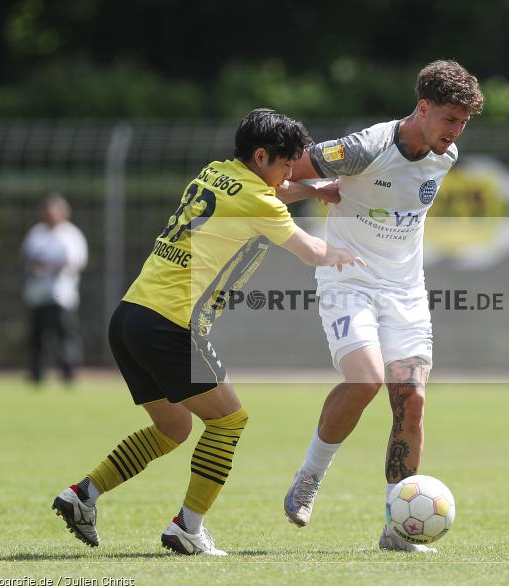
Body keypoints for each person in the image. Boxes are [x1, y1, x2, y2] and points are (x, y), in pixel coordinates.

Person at [52, 108, 363, 556]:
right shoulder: (259, 202)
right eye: (285, 164)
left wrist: (315, 190)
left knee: (173, 428)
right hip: (171, 323)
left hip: (130, 316)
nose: (289, 174)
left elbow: (272, 193)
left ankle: (83, 494)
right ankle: (188, 527)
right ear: (261, 156)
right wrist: (345, 254)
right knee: (229, 420)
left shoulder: (215, 172)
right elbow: (310, 249)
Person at [279, 60, 484, 552]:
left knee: (412, 399)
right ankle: (310, 477)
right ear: (423, 108)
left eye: (463, 123)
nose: (455, 132)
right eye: (449, 119)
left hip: (406, 291)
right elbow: (278, 180)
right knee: (366, 380)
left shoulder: (445, 155)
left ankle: (397, 527)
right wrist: (316, 189)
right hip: (348, 280)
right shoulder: (364, 148)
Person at [21, 194, 88, 384]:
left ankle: (69, 373)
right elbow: (28, 257)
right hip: (37, 294)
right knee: (37, 337)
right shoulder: (36, 233)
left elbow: (76, 261)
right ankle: (36, 374)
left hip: (62, 295)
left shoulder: (71, 235)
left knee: (65, 335)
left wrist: (51, 265)